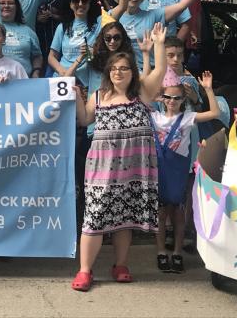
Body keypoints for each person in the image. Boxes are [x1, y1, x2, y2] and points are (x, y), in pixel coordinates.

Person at [71, 23, 167, 292]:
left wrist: (159, 44)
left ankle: (121, 264)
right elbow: (84, 119)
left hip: (134, 167)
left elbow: (160, 70)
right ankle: (85, 270)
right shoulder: (100, 95)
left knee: (125, 218)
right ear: (108, 72)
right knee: (95, 218)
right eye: (114, 69)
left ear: (132, 71)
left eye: (124, 68)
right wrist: (79, 98)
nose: (118, 72)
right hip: (102, 167)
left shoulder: (142, 93)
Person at [149, 69, 219, 275]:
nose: (172, 101)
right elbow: (137, 99)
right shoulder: (154, 116)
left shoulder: (188, 117)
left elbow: (215, 113)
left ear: (183, 99)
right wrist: (153, 93)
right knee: (160, 214)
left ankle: (177, 252)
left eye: (176, 98)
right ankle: (162, 251)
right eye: (167, 97)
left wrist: (208, 90)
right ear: (161, 98)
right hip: (160, 170)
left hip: (179, 171)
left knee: (179, 214)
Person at [113, 0, 220, 70]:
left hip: (152, 70)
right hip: (122, 71)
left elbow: (181, 5)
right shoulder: (112, 16)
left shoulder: (153, 15)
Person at [0, 0, 44, 78]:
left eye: (10, 3)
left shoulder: (28, 31)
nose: (6, 6)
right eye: (2, 3)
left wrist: (36, 72)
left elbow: (37, 56)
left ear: (16, 7)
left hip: (23, 81)